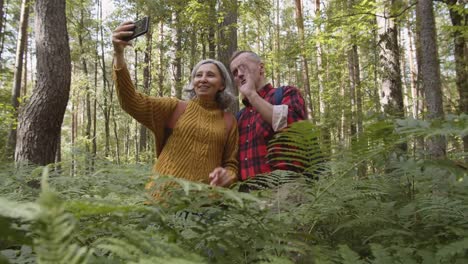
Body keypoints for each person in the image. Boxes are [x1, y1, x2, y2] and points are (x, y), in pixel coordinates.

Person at [112, 21, 238, 198]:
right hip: (163, 199)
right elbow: (130, 101)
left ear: (222, 84)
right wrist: (118, 54)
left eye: (210, 75)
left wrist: (228, 176)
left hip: (206, 206)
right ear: (193, 82)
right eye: (198, 75)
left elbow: (231, 164)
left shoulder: (229, 121)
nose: (203, 79)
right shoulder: (174, 107)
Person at [229, 51, 307, 183]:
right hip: (248, 196)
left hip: (284, 189)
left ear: (261, 68)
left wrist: (252, 95)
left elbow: (293, 128)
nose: (239, 74)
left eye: (243, 67)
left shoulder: (286, 94)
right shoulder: (240, 117)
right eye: (235, 72)